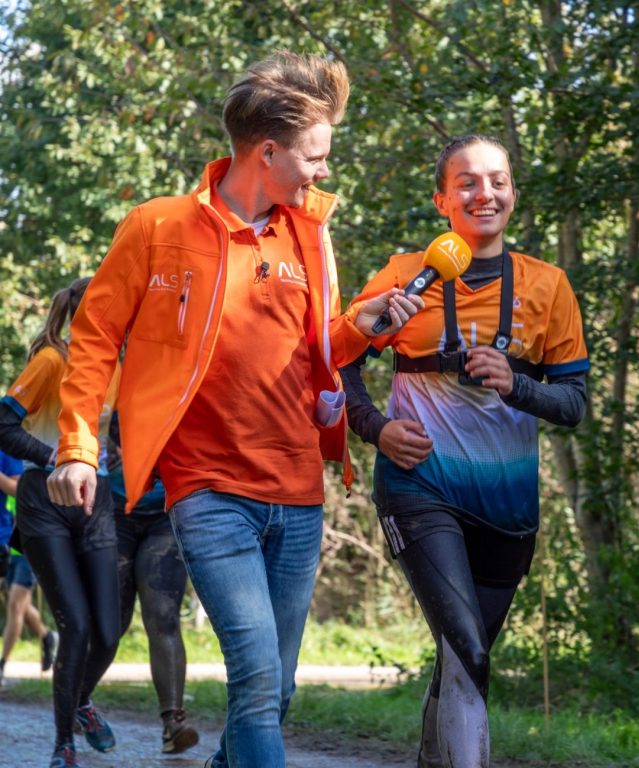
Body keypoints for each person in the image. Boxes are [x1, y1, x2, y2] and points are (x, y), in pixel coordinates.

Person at [46, 50, 420, 768]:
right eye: (315, 156)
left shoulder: (309, 234)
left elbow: (318, 348)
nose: (322, 172)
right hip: (210, 491)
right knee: (254, 682)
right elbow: (93, 339)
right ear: (269, 151)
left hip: (300, 493)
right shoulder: (157, 228)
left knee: (274, 697)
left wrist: (360, 324)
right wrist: (76, 446)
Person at [340, 134, 590, 768]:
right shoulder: (404, 276)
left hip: (508, 507)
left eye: (498, 181)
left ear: (512, 193)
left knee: (461, 657)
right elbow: (337, 363)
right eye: (469, 183)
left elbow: (574, 403)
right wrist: (374, 429)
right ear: (442, 200)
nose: (486, 193)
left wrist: (518, 383)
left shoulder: (548, 285)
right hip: (419, 484)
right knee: (470, 651)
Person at [0, 278, 121, 768]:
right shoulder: (52, 360)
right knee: (75, 625)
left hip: (97, 501)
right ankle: (63, 744)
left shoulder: (117, 366)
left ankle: (82, 703)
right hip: (43, 500)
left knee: (109, 633)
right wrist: (55, 456)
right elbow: (3, 424)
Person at [108, 413, 199, 754]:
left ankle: (173, 723)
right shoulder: (107, 369)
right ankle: (75, 703)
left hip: (166, 509)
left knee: (163, 615)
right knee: (111, 623)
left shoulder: (182, 369)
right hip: (113, 510)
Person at [0, 449, 59, 688]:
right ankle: (46, 636)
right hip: (9, 541)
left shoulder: (10, 450)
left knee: (15, 604)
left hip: (20, 539)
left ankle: (2, 665)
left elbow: (17, 488)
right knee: (18, 605)